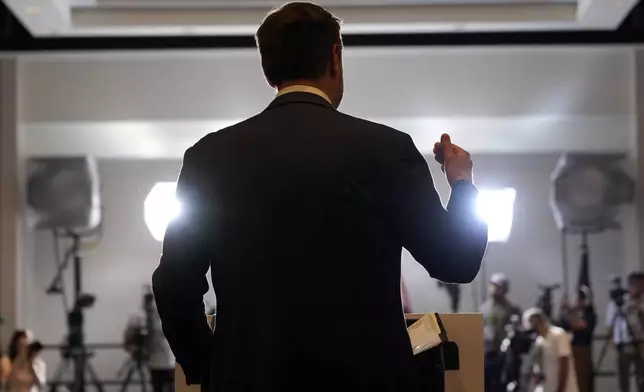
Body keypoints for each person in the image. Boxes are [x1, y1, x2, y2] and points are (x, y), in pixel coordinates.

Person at [152, 2, 488, 391]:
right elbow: (458, 261)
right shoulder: (386, 149)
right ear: (335, 56)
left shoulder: (209, 157)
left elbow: (174, 284)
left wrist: (208, 367)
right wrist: (462, 184)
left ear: (268, 69)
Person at [480, 273, 521, 392]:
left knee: (500, 385)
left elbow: (516, 331)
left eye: (498, 286)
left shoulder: (512, 309)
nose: (494, 289)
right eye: (493, 285)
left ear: (505, 289)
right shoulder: (483, 309)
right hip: (486, 353)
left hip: (504, 355)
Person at [524, 308, 579, 392]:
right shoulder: (539, 341)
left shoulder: (558, 335)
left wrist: (560, 389)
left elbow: (564, 362)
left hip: (563, 388)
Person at [606, 272, 644, 392]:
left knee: (641, 379)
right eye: (636, 284)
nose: (639, 288)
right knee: (623, 381)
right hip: (623, 345)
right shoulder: (617, 303)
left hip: (641, 344)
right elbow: (609, 325)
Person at [559, 287, 596, 392]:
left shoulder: (589, 314)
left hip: (582, 351)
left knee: (581, 382)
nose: (578, 301)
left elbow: (579, 325)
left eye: (581, 298)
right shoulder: (568, 313)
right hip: (568, 351)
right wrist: (564, 310)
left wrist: (569, 313)